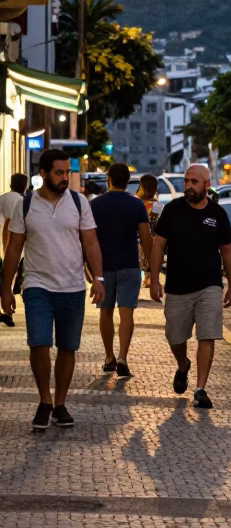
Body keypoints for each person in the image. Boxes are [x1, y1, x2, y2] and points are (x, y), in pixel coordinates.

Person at [1, 148, 105, 431]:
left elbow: (91, 242)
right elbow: (14, 249)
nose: (64, 178)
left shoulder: (79, 202)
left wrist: (99, 278)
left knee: (68, 348)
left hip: (72, 287)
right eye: (59, 173)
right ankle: (44, 400)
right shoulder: (25, 204)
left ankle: (59, 404)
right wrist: (6, 288)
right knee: (39, 344)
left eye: (67, 172)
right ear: (43, 174)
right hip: (37, 286)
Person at [150, 163, 231, 409]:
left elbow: (227, 251)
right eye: (186, 181)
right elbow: (158, 246)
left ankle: (200, 388)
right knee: (175, 336)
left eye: (193, 182)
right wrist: (155, 280)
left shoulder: (218, 214)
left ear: (206, 185)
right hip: (177, 286)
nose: (188, 186)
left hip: (210, 285)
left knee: (207, 335)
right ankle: (183, 365)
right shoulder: (172, 210)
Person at [90, 161, 152, 379]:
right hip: (129, 265)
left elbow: (87, 238)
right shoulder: (136, 205)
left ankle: (109, 357)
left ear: (108, 179)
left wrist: (88, 268)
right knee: (127, 313)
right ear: (128, 182)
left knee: (105, 312)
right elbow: (146, 239)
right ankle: (123, 356)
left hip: (103, 267)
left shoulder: (95, 205)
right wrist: (151, 268)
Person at [0, 172, 27, 325]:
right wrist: (6, 247)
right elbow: (8, 227)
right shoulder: (22, 201)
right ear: (24, 185)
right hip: (13, 248)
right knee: (13, 280)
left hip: (5, 247)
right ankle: (8, 312)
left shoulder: (2, 198)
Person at [136, 173, 162, 287]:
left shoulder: (136, 205)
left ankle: (144, 278)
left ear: (144, 189)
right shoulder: (159, 206)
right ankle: (150, 277)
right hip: (154, 242)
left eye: (139, 187)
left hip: (138, 242)